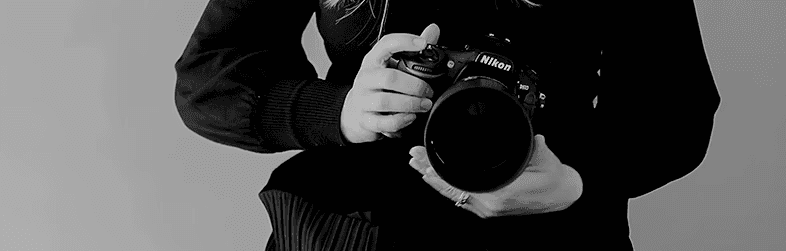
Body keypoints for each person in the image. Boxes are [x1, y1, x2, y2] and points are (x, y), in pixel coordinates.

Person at [174, 0, 717, 250]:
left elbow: (678, 108)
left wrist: (578, 180)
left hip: (556, 235)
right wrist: (342, 111)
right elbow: (210, 77)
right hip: (348, 228)